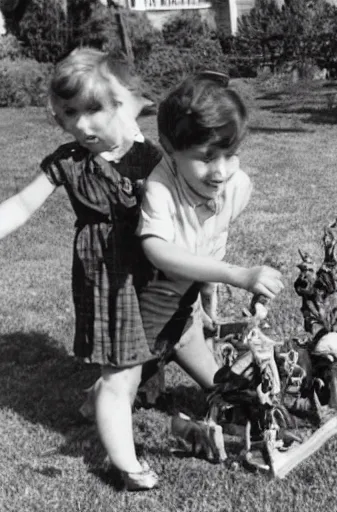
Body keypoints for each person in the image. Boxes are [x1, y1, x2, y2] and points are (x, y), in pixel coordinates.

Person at [0, 48, 172, 490]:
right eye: (70, 113)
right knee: (120, 371)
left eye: (93, 109)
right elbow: (21, 205)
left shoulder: (150, 158)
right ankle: (126, 465)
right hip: (107, 276)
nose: (81, 124)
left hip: (153, 272)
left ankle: (93, 401)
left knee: (147, 354)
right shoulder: (68, 161)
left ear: (119, 105)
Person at [133, 71, 284, 487]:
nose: (220, 171)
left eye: (230, 154)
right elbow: (158, 251)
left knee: (226, 388)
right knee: (118, 392)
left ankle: (159, 372)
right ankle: (117, 386)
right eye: (206, 157)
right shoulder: (160, 190)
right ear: (169, 149)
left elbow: (211, 241)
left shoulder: (238, 186)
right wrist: (238, 275)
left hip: (183, 319)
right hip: (146, 318)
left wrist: (208, 306)